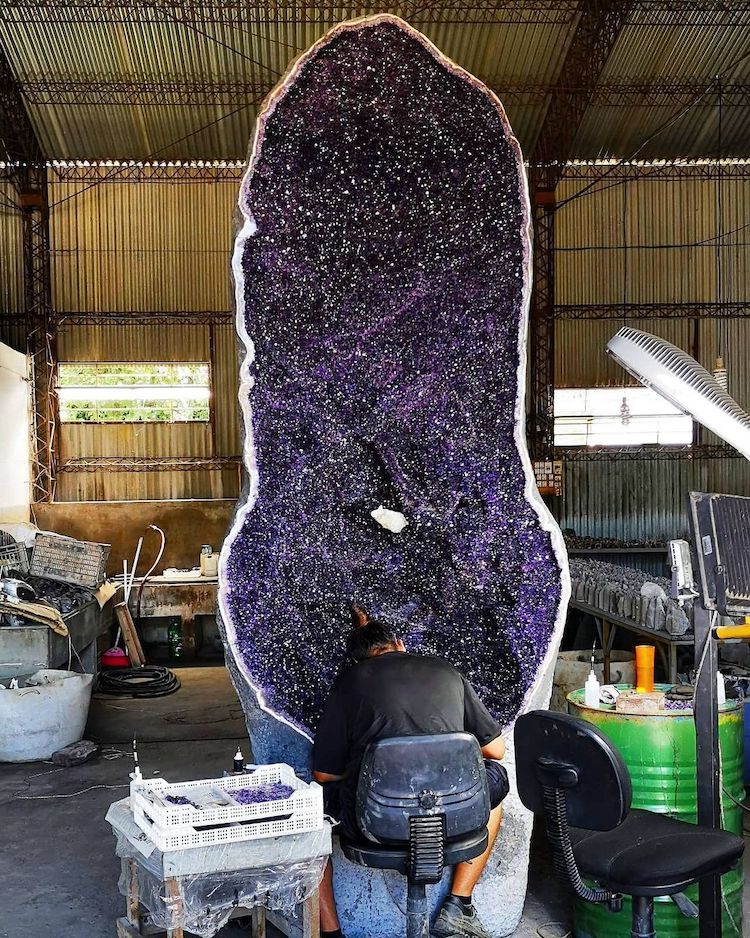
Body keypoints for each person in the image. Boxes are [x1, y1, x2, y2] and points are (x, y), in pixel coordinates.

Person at [312, 618, 509, 938]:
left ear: (360, 659)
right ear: (400, 644)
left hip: (375, 821)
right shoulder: (447, 671)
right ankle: (458, 905)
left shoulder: (349, 681)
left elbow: (324, 774)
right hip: (453, 815)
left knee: (307, 814)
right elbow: (496, 750)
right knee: (493, 788)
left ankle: (331, 932)